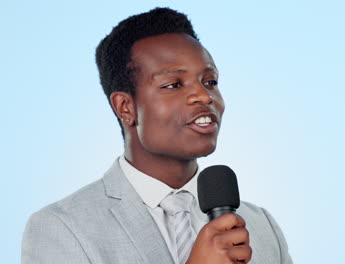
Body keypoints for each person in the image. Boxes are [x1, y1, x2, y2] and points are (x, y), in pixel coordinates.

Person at [22, 7, 293, 264]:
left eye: (210, 81)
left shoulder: (260, 226)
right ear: (125, 107)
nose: (203, 95)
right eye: (173, 84)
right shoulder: (62, 228)